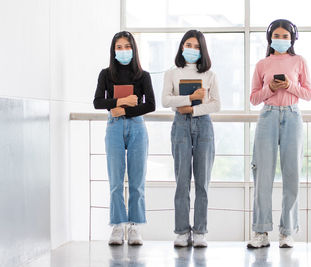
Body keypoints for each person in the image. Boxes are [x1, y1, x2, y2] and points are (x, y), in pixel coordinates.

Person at [248, 19, 311, 249]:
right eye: (277, 35)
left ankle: (287, 232)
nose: (281, 40)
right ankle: (260, 231)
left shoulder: (299, 61)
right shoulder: (262, 64)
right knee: (263, 174)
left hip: (293, 116)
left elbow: (308, 94)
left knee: (292, 173)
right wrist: (270, 89)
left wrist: (288, 87)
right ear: (270, 38)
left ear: (292, 39)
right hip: (268, 117)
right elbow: (254, 98)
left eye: (286, 36)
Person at [93, 31, 155, 246]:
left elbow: (151, 105)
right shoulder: (105, 74)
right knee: (115, 181)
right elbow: (98, 102)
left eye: (126, 46)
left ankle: (135, 225)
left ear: (133, 49)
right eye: (119, 47)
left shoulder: (143, 75)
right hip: (114, 127)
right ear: (113, 50)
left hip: (137, 127)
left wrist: (126, 110)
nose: (123, 51)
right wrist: (120, 102)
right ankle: (118, 225)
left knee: (137, 181)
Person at [162, 30, 220, 248]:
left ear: (202, 49)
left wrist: (193, 109)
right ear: (181, 47)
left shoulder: (210, 75)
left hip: (203, 124)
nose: (192, 50)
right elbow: (165, 100)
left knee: (202, 181)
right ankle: (182, 231)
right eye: (188, 45)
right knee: (182, 181)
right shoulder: (172, 73)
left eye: (196, 46)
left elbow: (216, 104)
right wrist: (190, 98)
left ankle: (200, 231)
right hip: (180, 125)